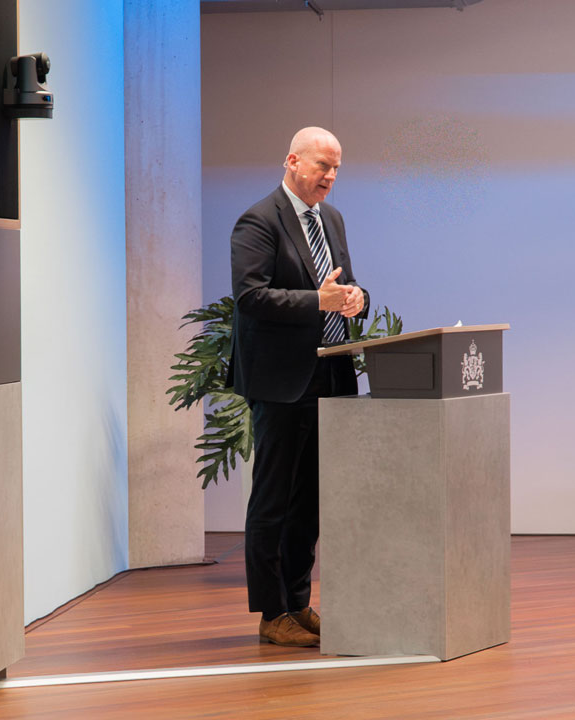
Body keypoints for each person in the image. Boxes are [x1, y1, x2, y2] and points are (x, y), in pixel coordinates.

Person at [229, 127, 369, 647]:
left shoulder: (331, 218)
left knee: (310, 501)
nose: (330, 177)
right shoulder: (259, 220)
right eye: (321, 166)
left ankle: (297, 603)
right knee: (274, 500)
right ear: (292, 161)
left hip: (330, 375)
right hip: (282, 381)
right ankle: (271, 614)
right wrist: (319, 302)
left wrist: (356, 298)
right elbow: (250, 297)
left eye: (336, 169)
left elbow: (342, 283)